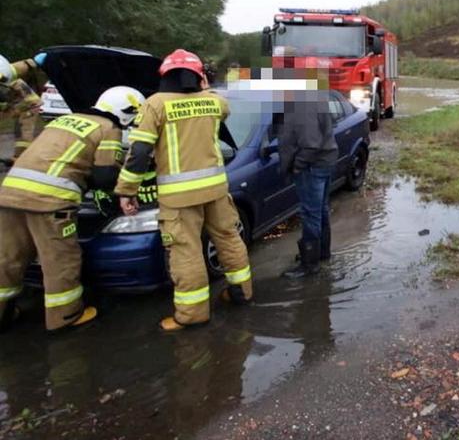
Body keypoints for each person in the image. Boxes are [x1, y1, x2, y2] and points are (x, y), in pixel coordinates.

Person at [114, 49, 253, 332]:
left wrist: (127, 190)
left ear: (165, 75)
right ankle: (242, 292)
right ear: (198, 76)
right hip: (216, 189)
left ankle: (192, 314)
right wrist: (204, 85)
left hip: (179, 197)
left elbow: (139, 152)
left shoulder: (155, 104)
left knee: (185, 250)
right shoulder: (215, 102)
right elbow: (215, 100)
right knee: (229, 238)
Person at [0, 86, 144, 332]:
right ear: (126, 112)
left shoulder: (64, 119)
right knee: (60, 259)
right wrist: (126, 187)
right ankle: (65, 316)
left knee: (7, 258)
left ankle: (3, 314)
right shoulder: (109, 128)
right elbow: (105, 176)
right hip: (50, 202)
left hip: (10, 194)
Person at [279, 91, 338, 278]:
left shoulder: (301, 104)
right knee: (320, 210)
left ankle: (309, 264)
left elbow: (311, 144)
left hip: (312, 166)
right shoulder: (316, 96)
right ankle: (321, 254)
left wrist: (297, 166)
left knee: (310, 213)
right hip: (325, 161)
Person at [0, 55, 44, 160]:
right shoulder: (9, 72)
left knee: (24, 133)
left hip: (28, 106)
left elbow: (34, 102)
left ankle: (21, 157)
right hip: (16, 101)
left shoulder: (10, 77)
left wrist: (14, 109)